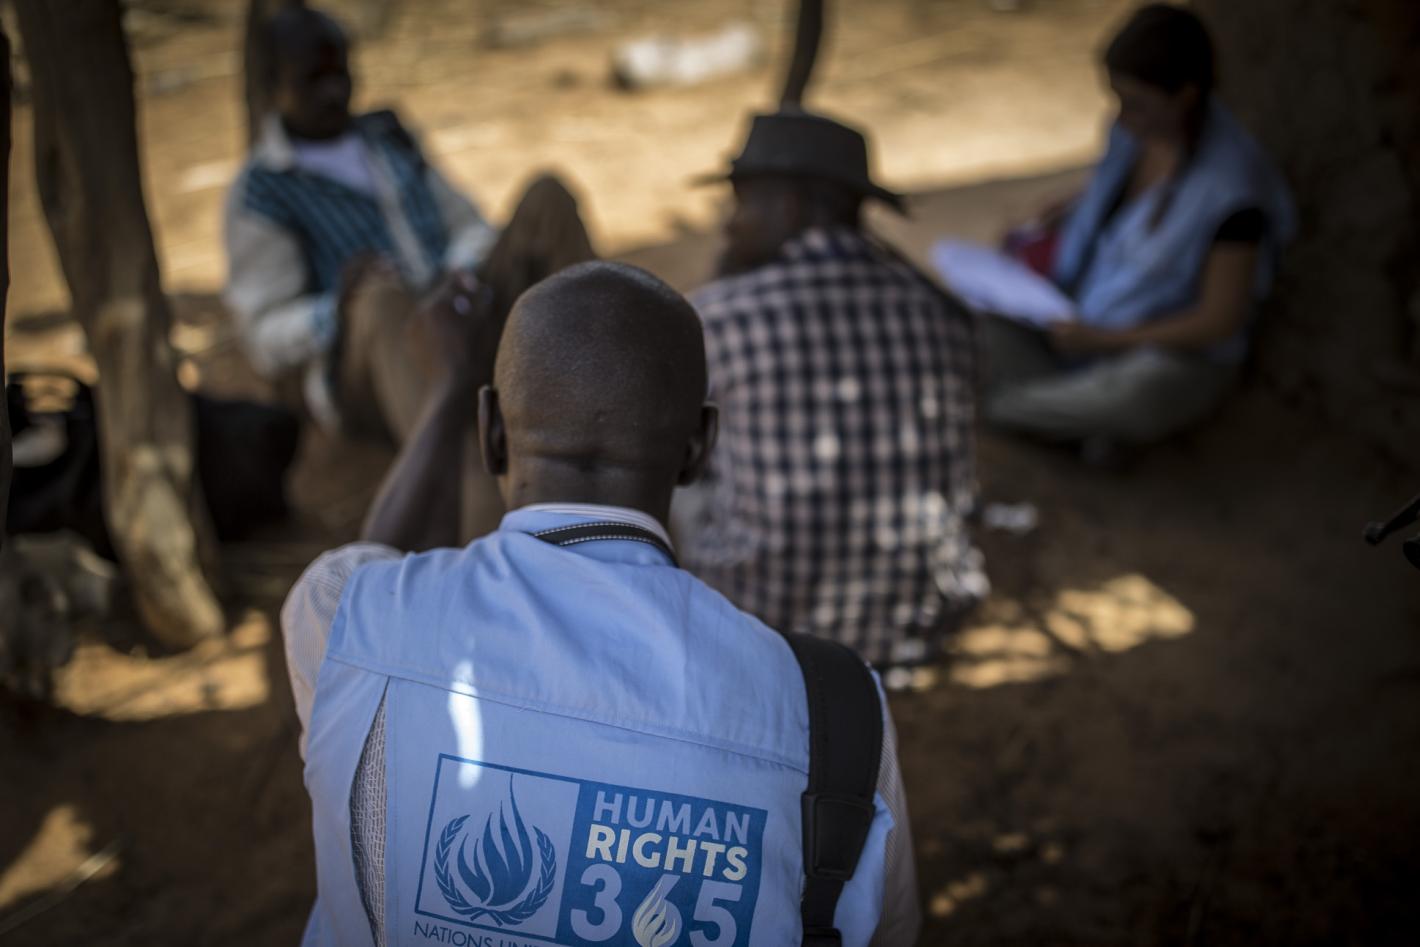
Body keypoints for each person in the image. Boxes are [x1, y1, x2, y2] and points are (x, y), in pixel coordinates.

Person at [280, 262, 921, 945]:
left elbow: (377, 576)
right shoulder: (832, 713)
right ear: (700, 447)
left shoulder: (342, 613)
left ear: (491, 431)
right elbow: (890, 931)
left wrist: (444, 395)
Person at [678, 109, 985, 674]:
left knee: (672, 471)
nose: (730, 225)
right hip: (914, 626)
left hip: (762, 629)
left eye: (741, 204)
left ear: (790, 208)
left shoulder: (719, 315)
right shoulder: (941, 311)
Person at [223, 7, 593, 454]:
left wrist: (458, 271)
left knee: (547, 199)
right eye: (312, 81)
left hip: (460, 316)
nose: (333, 92)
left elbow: (468, 225)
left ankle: (598, 389)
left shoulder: (387, 137)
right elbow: (264, 336)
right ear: (272, 87)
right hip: (373, 371)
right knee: (378, 298)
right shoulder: (262, 190)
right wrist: (339, 307)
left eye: (341, 74)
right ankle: (456, 463)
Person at [980, 3, 1296, 455]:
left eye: (1138, 104)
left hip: (1156, 354)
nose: (1123, 115)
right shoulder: (1132, 133)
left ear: (1184, 96)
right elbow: (1121, 203)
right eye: (1118, 98)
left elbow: (1218, 320)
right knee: (983, 322)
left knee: (1141, 394)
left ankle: (1014, 411)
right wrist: (1070, 209)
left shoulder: (1233, 193)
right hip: (1082, 324)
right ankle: (1065, 419)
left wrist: (1108, 340)